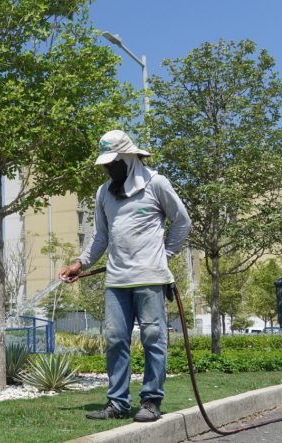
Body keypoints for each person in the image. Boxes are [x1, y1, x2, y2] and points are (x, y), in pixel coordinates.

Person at [59, 129, 191, 422]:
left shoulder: (156, 184)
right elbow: (100, 237)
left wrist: (164, 256)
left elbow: (182, 221)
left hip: (150, 279)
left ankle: (151, 401)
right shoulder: (104, 192)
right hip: (116, 281)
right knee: (116, 339)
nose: (108, 168)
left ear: (129, 158)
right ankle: (118, 403)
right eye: (105, 163)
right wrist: (80, 263)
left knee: (153, 338)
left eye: (112, 162)